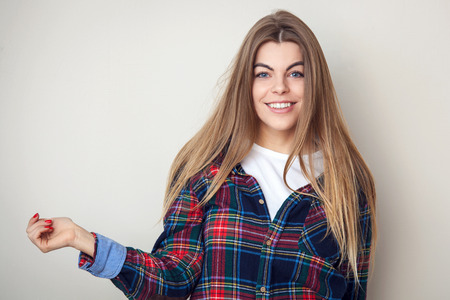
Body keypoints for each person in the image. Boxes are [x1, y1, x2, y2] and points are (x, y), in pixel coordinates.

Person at [26, 10, 376, 300]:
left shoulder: (348, 185)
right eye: (263, 74)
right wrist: (82, 240)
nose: (280, 87)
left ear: (315, 83)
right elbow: (174, 278)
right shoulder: (205, 172)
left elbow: (352, 292)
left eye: (296, 73)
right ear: (247, 84)